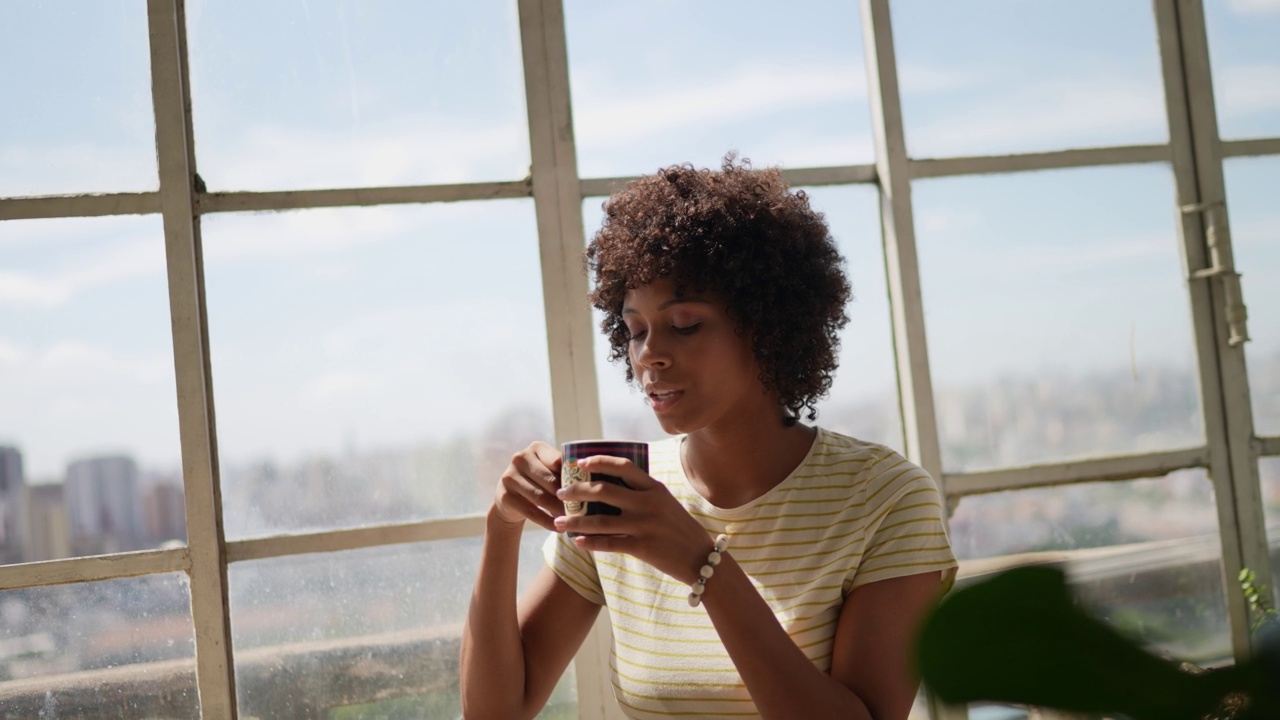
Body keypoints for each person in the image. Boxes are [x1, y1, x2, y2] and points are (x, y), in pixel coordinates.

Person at [461, 156, 957, 720]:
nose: (650, 354)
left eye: (685, 324)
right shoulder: (622, 495)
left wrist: (704, 565)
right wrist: (501, 527)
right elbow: (493, 714)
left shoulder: (885, 498)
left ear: (768, 326)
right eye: (635, 329)